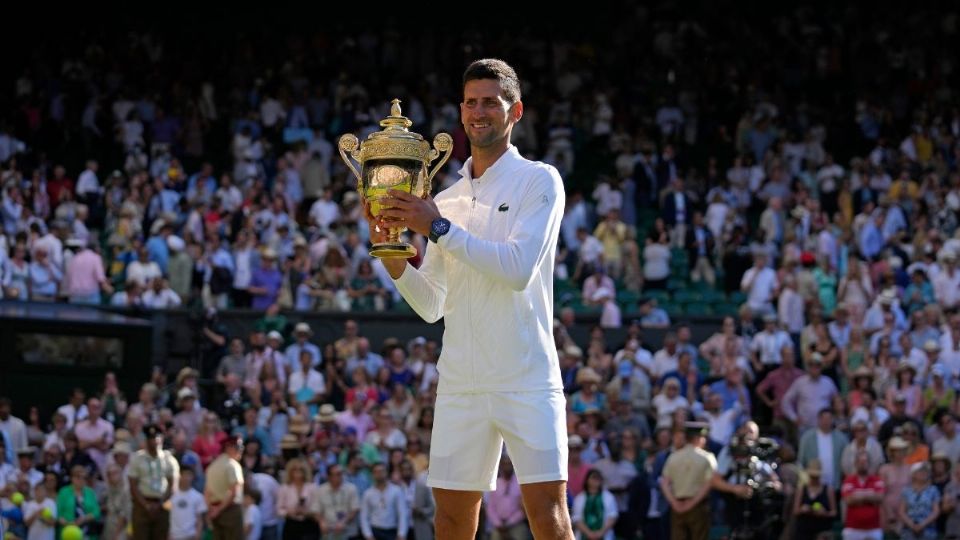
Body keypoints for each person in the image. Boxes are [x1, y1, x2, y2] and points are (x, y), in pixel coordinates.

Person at [371, 58, 572, 538]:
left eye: (490, 102)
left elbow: (517, 269)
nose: (479, 112)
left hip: (526, 379)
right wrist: (393, 256)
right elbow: (433, 305)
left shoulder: (539, 180)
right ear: (461, 112)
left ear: (515, 111)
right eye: (470, 103)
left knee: (548, 517)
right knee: (451, 520)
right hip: (461, 382)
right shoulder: (447, 197)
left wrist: (435, 228)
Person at [659, 421, 751, 540]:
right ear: (699, 438)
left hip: (677, 508)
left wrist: (675, 503)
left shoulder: (673, 456)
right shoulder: (707, 457)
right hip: (698, 507)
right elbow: (710, 482)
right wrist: (692, 503)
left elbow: (664, 483)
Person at [128, 424, 179, 540]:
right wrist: (145, 505)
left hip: (162, 504)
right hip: (142, 504)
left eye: (156, 438)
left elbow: (173, 486)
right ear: (146, 440)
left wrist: (160, 504)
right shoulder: (137, 458)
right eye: (151, 438)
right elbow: (133, 486)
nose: (154, 441)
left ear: (161, 439)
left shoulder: (169, 460)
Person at [205, 435, 245, 539]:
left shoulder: (212, 466)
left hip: (214, 511)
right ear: (228, 447)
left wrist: (211, 510)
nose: (241, 450)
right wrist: (219, 509)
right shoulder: (233, 465)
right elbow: (234, 491)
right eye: (238, 447)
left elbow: (207, 492)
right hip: (230, 511)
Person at [841, 450, 885, 540]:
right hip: (853, 529)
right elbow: (849, 500)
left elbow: (880, 498)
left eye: (865, 461)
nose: (862, 464)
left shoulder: (877, 480)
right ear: (855, 463)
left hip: (873, 528)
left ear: (869, 463)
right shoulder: (848, 480)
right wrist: (870, 495)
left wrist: (858, 495)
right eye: (860, 461)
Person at [359, 462, 408, 540]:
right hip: (374, 531)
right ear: (372, 475)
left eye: (382, 471)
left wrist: (401, 534)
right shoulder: (368, 493)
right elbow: (364, 516)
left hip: (392, 531)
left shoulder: (397, 491)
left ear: (387, 473)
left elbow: (402, 513)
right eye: (376, 472)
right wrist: (368, 535)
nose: (379, 474)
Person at [792, 459, 837, 539]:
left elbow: (834, 512)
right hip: (804, 531)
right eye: (812, 477)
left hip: (822, 531)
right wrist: (802, 509)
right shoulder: (802, 489)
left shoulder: (828, 490)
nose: (814, 479)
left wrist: (824, 513)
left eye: (816, 477)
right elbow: (795, 511)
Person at [571, 469, 619, 540]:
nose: (596, 480)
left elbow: (613, 516)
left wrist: (601, 532)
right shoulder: (579, 498)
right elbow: (576, 518)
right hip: (583, 536)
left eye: (598, 478)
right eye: (593, 477)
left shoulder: (609, 497)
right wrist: (589, 533)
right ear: (587, 480)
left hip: (605, 536)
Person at [169, 467, 207, 540]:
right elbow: (169, 517)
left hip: (191, 536)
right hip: (174, 536)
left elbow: (200, 519)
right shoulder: (172, 496)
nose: (186, 478)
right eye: (184, 474)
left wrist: (198, 534)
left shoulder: (198, 497)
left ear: (193, 477)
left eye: (188, 475)